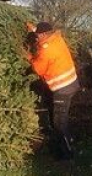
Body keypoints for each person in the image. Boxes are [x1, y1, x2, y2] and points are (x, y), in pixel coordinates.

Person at [24, 22, 80, 160]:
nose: (36, 37)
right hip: (72, 83)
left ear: (44, 35)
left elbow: (38, 69)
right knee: (61, 118)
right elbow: (41, 31)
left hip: (63, 88)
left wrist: (29, 58)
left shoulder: (46, 49)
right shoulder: (56, 38)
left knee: (59, 122)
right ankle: (68, 142)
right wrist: (32, 28)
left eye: (37, 35)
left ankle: (67, 154)